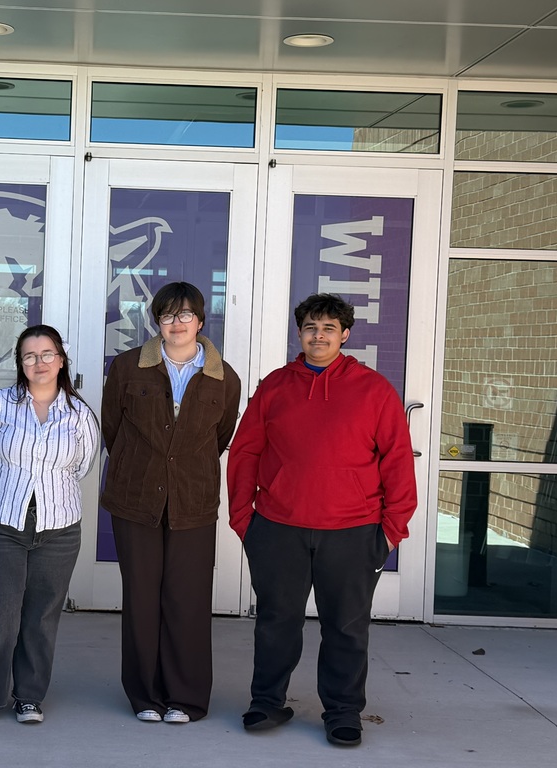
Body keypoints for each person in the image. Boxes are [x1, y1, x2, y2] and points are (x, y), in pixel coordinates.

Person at [227, 293, 417, 747]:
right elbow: (246, 451)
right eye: (311, 327)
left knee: (346, 626)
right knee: (277, 621)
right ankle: (267, 702)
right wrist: (243, 520)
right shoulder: (275, 386)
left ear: (345, 334)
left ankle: (343, 712)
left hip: (353, 531)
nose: (319, 335)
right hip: (278, 528)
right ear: (300, 333)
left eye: (329, 328)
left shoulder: (374, 390)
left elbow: (397, 461)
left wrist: (392, 529)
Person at [100, 282, 241, 724]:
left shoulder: (224, 377)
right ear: (155, 321)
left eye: (184, 316)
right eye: (167, 316)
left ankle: (186, 698)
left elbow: (219, 438)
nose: (176, 324)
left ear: (200, 321)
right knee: (142, 598)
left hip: (193, 501)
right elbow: (112, 429)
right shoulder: (127, 368)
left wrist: (178, 467)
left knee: (189, 600)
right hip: (135, 498)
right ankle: (145, 696)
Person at [0, 325, 99, 725]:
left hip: (59, 529)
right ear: (20, 364)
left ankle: (29, 696)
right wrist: (16, 488)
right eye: (29, 356)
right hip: (2, 522)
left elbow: (84, 465)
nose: (39, 363)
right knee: (0, 614)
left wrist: (45, 491)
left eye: (46, 354)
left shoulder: (79, 415)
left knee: (41, 617)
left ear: (61, 359)